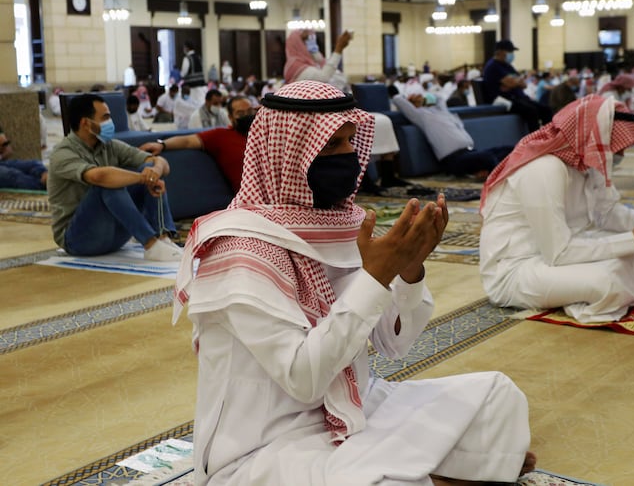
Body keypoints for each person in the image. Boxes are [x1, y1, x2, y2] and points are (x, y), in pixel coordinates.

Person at [172, 80, 535, 485]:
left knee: (496, 396)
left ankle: (452, 470)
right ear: (290, 155)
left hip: (356, 407)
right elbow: (305, 380)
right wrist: (376, 277)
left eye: (349, 141)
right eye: (330, 146)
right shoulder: (240, 249)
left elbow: (393, 345)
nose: (347, 155)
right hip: (265, 444)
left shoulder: (343, 225)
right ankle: (459, 470)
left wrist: (409, 271)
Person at [479, 95, 634, 323]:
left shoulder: (586, 163)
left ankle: (576, 293)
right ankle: (579, 296)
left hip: (566, 249)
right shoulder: (544, 169)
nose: (621, 155)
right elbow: (558, 252)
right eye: (617, 147)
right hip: (517, 269)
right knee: (608, 282)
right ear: (595, 137)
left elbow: (606, 214)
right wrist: (632, 241)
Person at [283, 29, 424, 194]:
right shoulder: (296, 67)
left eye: (311, 39)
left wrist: (317, 53)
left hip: (334, 113)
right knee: (356, 127)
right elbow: (324, 78)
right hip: (315, 118)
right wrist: (338, 49)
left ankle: (388, 174)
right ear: (296, 43)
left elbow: (337, 76)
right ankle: (364, 180)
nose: (310, 43)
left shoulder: (314, 64)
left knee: (382, 121)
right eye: (306, 40)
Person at [48, 94, 183, 261]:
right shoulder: (63, 153)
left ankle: (163, 239)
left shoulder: (109, 146)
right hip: (79, 240)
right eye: (105, 117)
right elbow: (100, 176)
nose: (110, 122)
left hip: (113, 237)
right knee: (108, 183)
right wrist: (143, 178)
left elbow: (161, 163)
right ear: (85, 123)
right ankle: (150, 244)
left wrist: (154, 171)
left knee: (149, 170)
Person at [140, 96, 255, 193]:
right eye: (240, 113)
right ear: (230, 117)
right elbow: (188, 141)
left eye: (250, 112)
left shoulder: (263, 134)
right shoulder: (221, 136)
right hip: (249, 198)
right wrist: (162, 145)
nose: (247, 116)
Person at [390, 89, 512, 179]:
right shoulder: (420, 116)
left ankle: (487, 171)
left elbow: (439, 97)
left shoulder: (441, 110)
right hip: (454, 159)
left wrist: (425, 98)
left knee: (508, 150)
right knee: (488, 158)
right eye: (415, 100)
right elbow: (397, 99)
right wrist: (408, 98)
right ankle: (497, 178)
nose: (419, 100)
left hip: (470, 152)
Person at [482, 40, 552, 131]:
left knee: (546, 110)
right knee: (531, 111)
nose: (511, 54)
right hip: (503, 100)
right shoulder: (492, 66)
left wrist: (512, 83)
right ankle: (533, 141)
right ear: (499, 52)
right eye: (509, 51)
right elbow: (514, 82)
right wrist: (514, 83)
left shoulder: (508, 66)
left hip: (517, 97)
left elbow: (523, 84)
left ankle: (548, 138)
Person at [181, 41, 206, 105]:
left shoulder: (187, 58)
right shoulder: (199, 57)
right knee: (201, 103)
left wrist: (181, 75)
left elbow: (183, 73)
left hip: (192, 86)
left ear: (187, 48)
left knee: (193, 105)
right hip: (201, 85)